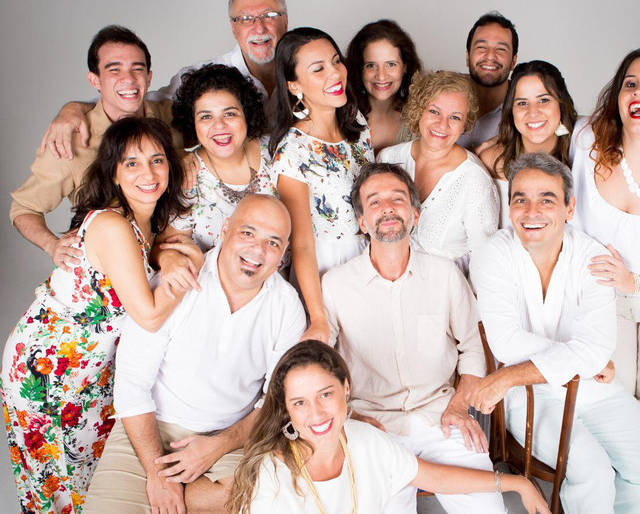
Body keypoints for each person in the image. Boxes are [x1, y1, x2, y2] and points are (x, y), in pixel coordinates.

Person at [1, 118, 198, 514]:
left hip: (91, 373)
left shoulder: (146, 223)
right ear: (113, 173)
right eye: (132, 163)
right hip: (50, 371)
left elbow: (150, 255)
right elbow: (149, 316)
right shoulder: (111, 224)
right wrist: (191, 261)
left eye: (157, 160)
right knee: (61, 491)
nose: (148, 173)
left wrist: (169, 253)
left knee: (90, 487)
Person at [82, 195, 306, 514]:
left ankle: (188, 496)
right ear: (225, 230)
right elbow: (132, 384)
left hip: (231, 434)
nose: (257, 250)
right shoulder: (178, 279)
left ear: (283, 252)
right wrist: (158, 474)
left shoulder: (286, 305)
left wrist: (218, 445)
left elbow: (276, 399)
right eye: (247, 233)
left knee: (270, 497)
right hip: (151, 426)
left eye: (273, 242)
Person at [322, 162, 505, 513]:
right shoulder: (334, 285)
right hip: (371, 425)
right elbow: (320, 368)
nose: (387, 208)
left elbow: (472, 346)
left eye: (397, 199)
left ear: (415, 215)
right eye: (374, 202)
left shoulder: (445, 275)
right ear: (362, 222)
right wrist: (349, 418)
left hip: (442, 418)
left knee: (488, 510)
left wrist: (459, 405)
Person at [470, 152, 640, 514]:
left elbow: (595, 348)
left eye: (547, 199)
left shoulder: (593, 256)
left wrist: (509, 375)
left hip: (592, 389)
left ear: (569, 208)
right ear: (510, 208)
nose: (532, 212)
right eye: (521, 200)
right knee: (593, 472)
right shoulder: (492, 255)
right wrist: (584, 359)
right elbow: (506, 342)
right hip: (531, 397)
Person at [227, 340, 550, 514]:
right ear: (286, 410)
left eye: (325, 394)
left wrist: (518, 484)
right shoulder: (271, 474)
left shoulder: (365, 439)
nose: (317, 413)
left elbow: (435, 476)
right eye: (300, 403)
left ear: (346, 388)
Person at [39, 0, 288, 159]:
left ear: (285, 20)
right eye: (245, 19)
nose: (259, 27)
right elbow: (135, 100)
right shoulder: (205, 77)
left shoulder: (304, 67)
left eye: (270, 15)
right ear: (233, 27)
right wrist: (73, 108)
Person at [10, 25, 180, 271]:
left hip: (166, 257)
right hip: (108, 271)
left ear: (149, 77)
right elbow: (24, 207)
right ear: (94, 80)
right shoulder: (69, 141)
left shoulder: (171, 117)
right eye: (114, 70)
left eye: (137, 69)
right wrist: (52, 245)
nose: (128, 79)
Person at [269, 27, 374, 341]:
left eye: (336, 61)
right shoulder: (293, 151)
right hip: (325, 269)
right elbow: (301, 243)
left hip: (370, 259)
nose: (335, 73)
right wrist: (317, 318)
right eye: (318, 69)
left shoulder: (358, 126)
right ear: (294, 85)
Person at [377, 70, 498, 275]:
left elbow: (485, 261)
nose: (443, 124)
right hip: (385, 282)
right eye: (434, 111)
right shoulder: (388, 158)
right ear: (418, 110)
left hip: (446, 288)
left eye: (455, 117)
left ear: (465, 124)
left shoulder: (475, 179)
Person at [571, 48, 640, 398]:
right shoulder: (587, 141)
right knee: (618, 400)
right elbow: (538, 130)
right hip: (603, 303)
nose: (638, 93)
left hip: (634, 289)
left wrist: (633, 282)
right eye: (631, 83)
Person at [157, 63, 275, 255]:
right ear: (192, 123)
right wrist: (168, 258)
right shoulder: (189, 174)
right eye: (206, 117)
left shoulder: (276, 151)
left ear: (246, 114)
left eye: (229, 114)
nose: (219, 125)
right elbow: (166, 247)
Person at [479, 60, 577, 227]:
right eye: (522, 103)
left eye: (543, 100)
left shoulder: (581, 155)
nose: (533, 112)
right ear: (511, 111)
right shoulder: (491, 161)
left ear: (561, 105)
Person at [346, 19, 423, 153]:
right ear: (359, 69)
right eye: (371, 65)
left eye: (391, 64)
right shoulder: (342, 115)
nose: (381, 76)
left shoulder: (420, 120)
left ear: (405, 67)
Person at [457, 12, 518, 152]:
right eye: (481, 47)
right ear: (467, 56)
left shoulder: (526, 110)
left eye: (501, 49)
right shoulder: (441, 97)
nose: (490, 56)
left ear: (513, 61)